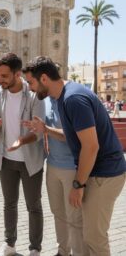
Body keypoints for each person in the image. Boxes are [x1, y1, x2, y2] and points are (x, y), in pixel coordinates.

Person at [23, 56, 126, 256]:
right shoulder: (63, 96)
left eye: (31, 82)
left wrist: (77, 185)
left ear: (44, 78)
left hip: (105, 174)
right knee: (89, 235)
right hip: (97, 172)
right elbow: (73, 137)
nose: (30, 88)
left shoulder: (73, 99)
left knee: (94, 237)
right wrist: (46, 130)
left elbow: (90, 146)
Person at [0, 53, 45, 256]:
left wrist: (21, 141)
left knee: (33, 206)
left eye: (4, 76)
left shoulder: (34, 95)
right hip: (6, 159)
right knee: (9, 204)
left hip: (30, 161)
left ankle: (35, 249)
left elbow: (38, 132)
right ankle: (9, 244)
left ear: (17, 74)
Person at [43, 97, 89, 256]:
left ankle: (79, 253)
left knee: (74, 217)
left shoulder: (71, 100)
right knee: (58, 213)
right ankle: (63, 252)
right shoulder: (45, 100)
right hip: (52, 165)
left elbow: (72, 135)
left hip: (71, 168)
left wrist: (46, 129)